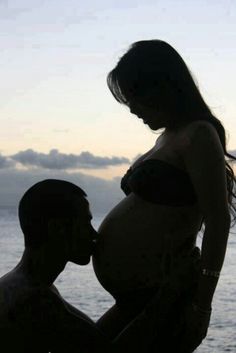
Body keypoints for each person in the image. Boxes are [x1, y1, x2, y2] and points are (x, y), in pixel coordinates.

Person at [92, 39, 236, 352]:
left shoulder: (198, 134)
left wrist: (202, 306)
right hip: (139, 298)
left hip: (163, 296)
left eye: (135, 97)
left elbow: (218, 219)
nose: (131, 109)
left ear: (160, 88)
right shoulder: (168, 137)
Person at [0, 179, 110, 353]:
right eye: (85, 223)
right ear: (57, 228)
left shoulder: (25, 286)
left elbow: (94, 334)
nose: (94, 234)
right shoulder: (35, 302)